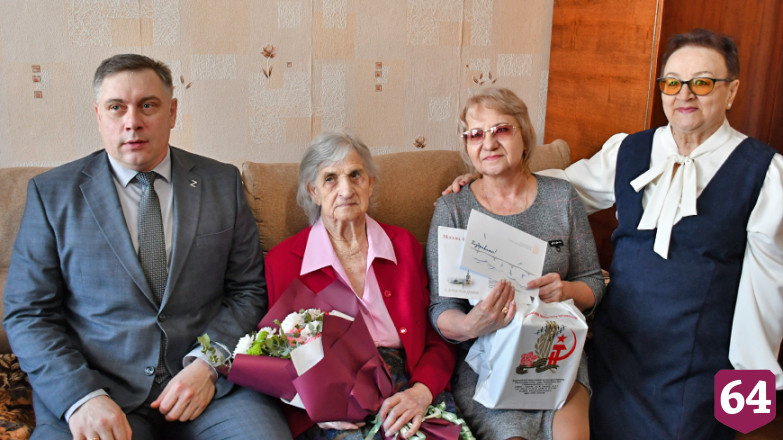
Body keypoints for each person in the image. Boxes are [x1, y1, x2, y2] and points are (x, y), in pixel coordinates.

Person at [446, 29, 783, 439]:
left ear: (732, 91)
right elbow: (560, 189)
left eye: (703, 82)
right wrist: (490, 180)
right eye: (673, 83)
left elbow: (766, 294)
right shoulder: (630, 150)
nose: (685, 95)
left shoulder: (764, 172)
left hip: (698, 364)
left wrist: (751, 404)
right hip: (615, 350)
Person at [2, 54, 291, 440]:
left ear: (172, 112)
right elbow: (28, 314)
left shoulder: (221, 182)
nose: (132, 121)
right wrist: (81, 397)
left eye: (148, 105)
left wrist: (208, 364)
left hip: (211, 387)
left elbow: (248, 291)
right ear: (98, 115)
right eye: (116, 107)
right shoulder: (52, 194)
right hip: (101, 390)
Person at [427, 87, 605, 440]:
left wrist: (566, 290)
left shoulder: (561, 196)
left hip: (557, 355)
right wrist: (470, 325)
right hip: (486, 363)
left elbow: (593, 283)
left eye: (501, 130)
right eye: (476, 134)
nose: (488, 143)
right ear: (467, 147)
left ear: (524, 136)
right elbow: (440, 307)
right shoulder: (453, 209)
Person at [264, 132, 457, 439]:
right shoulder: (283, 261)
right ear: (314, 191)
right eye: (330, 179)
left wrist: (422, 390)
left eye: (355, 175)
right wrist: (312, 405)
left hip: (409, 385)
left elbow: (439, 332)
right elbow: (276, 353)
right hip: (337, 397)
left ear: (371, 184)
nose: (346, 190)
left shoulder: (404, 246)